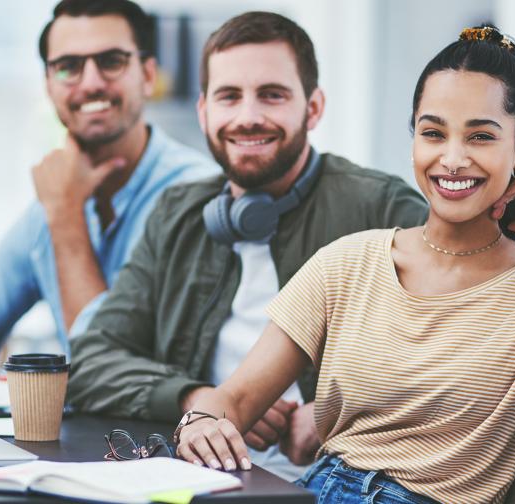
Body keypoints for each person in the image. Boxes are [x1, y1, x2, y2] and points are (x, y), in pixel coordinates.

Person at [174, 25, 515, 503]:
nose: (453, 158)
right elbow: (234, 398)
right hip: (314, 491)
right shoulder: (347, 262)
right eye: (433, 133)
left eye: (481, 136)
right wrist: (203, 421)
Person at [67, 12, 428, 480]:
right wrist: (200, 400)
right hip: (199, 476)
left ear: (313, 108)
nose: (248, 117)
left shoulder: (381, 207)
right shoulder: (176, 213)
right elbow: (93, 358)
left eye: (272, 95)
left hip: (336, 481)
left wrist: (334, 413)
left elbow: (466, 342)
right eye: (229, 96)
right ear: (203, 112)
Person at [0, 0, 217, 386]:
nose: (90, 82)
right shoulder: (55, 197)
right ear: (48, 84)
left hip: (162, 441)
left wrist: (66, 213)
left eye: (111, 61)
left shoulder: (196, 194)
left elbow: (117, 372)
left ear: (148, 75)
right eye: (68, 67)